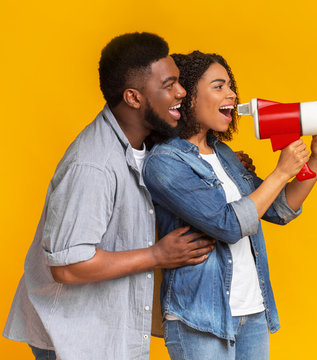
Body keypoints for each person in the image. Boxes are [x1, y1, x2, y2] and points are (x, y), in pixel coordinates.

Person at [2, 33, 218, 360]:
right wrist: (157, 256)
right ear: (133, 97)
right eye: (169, 84)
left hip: (104, 328)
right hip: (72, 337)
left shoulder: (146, 141)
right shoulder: (93, 166)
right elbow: (69, 266)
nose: (181, 92)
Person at [142, 51, 317, 360]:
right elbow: (229, 225)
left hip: (253, 311)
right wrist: (281, 171)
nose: (231, 94)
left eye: (230, 86)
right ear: (188, 96)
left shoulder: (226, 155)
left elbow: (279, 209)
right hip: (200, 317)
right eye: (219, 86)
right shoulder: (164, 162)